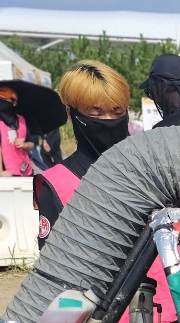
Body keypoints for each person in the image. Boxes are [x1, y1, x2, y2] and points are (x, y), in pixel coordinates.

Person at [33, 60, 132, 243]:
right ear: (71, 113)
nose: (108, 120)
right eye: (96, 113)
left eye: (117, 112)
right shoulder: (58, 184)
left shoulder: (145, 170)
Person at [0, 87, 36, 177]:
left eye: (4, 99)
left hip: (25, 169)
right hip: (6, 171)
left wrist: (25, 145)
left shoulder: (21, 120)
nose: (0, 102)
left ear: (14, 102)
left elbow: (31, 143)